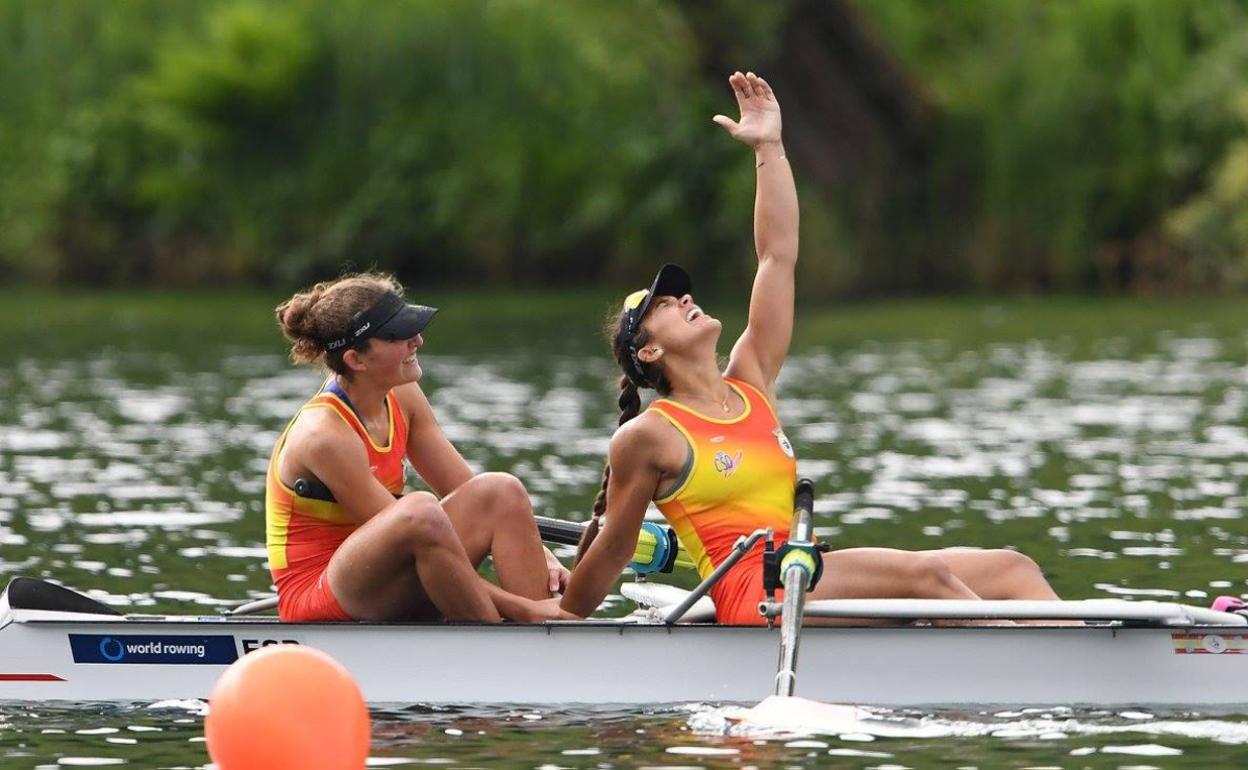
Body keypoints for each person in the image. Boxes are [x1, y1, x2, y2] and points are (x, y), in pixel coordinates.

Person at [560, 71, 1066, 625]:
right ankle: (1032, 669)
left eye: (683, 292)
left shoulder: (751, 381)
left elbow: (778, 255)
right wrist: (561, 620)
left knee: (1013, 568)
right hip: (757, 594)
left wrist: (770, 149)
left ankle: (1085, 656)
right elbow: (612, 547)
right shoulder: (649, 435)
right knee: (927, 579)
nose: (684, 299)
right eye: (664, 304)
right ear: (650, 353)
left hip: (807, 570)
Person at [267, 272, 573, 623]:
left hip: (385, 574)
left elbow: (464, 490)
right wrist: (523, 610)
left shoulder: (402, 394)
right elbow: (418, 534)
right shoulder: (324, 435)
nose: (418, 340)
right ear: (356, 360)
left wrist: (538, 554)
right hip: (318, 595)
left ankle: (548, 635)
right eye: (399, 335)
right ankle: (514, 632)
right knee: (421, 511)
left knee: (500, 491)